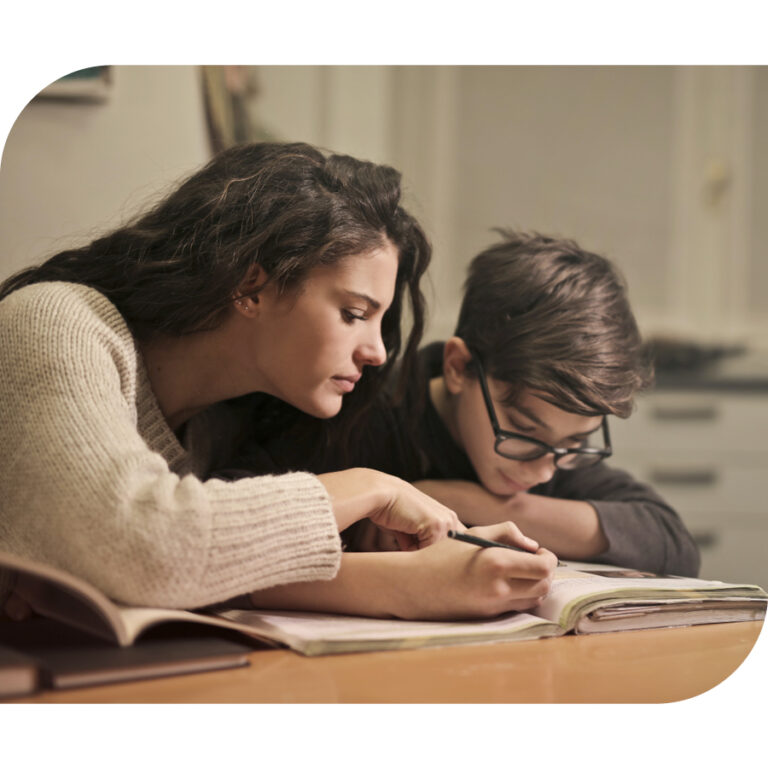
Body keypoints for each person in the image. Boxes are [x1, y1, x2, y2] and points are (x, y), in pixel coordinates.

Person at [0, 143, 556, 618]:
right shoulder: (57, 322)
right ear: (251, 287)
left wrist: (411, 564)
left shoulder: (222, 424)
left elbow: (198, 566)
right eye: (355, 313)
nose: (379, 352)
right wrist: (373, 487)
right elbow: (149, 549)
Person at [233, 229, 699, 578]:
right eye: (523, 432)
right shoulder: (354, 410)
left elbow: (672, 543)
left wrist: (476, 504)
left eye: (576, 442)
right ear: (457, 367)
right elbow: (229, 517)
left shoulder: (554, 452)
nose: (544, 471)